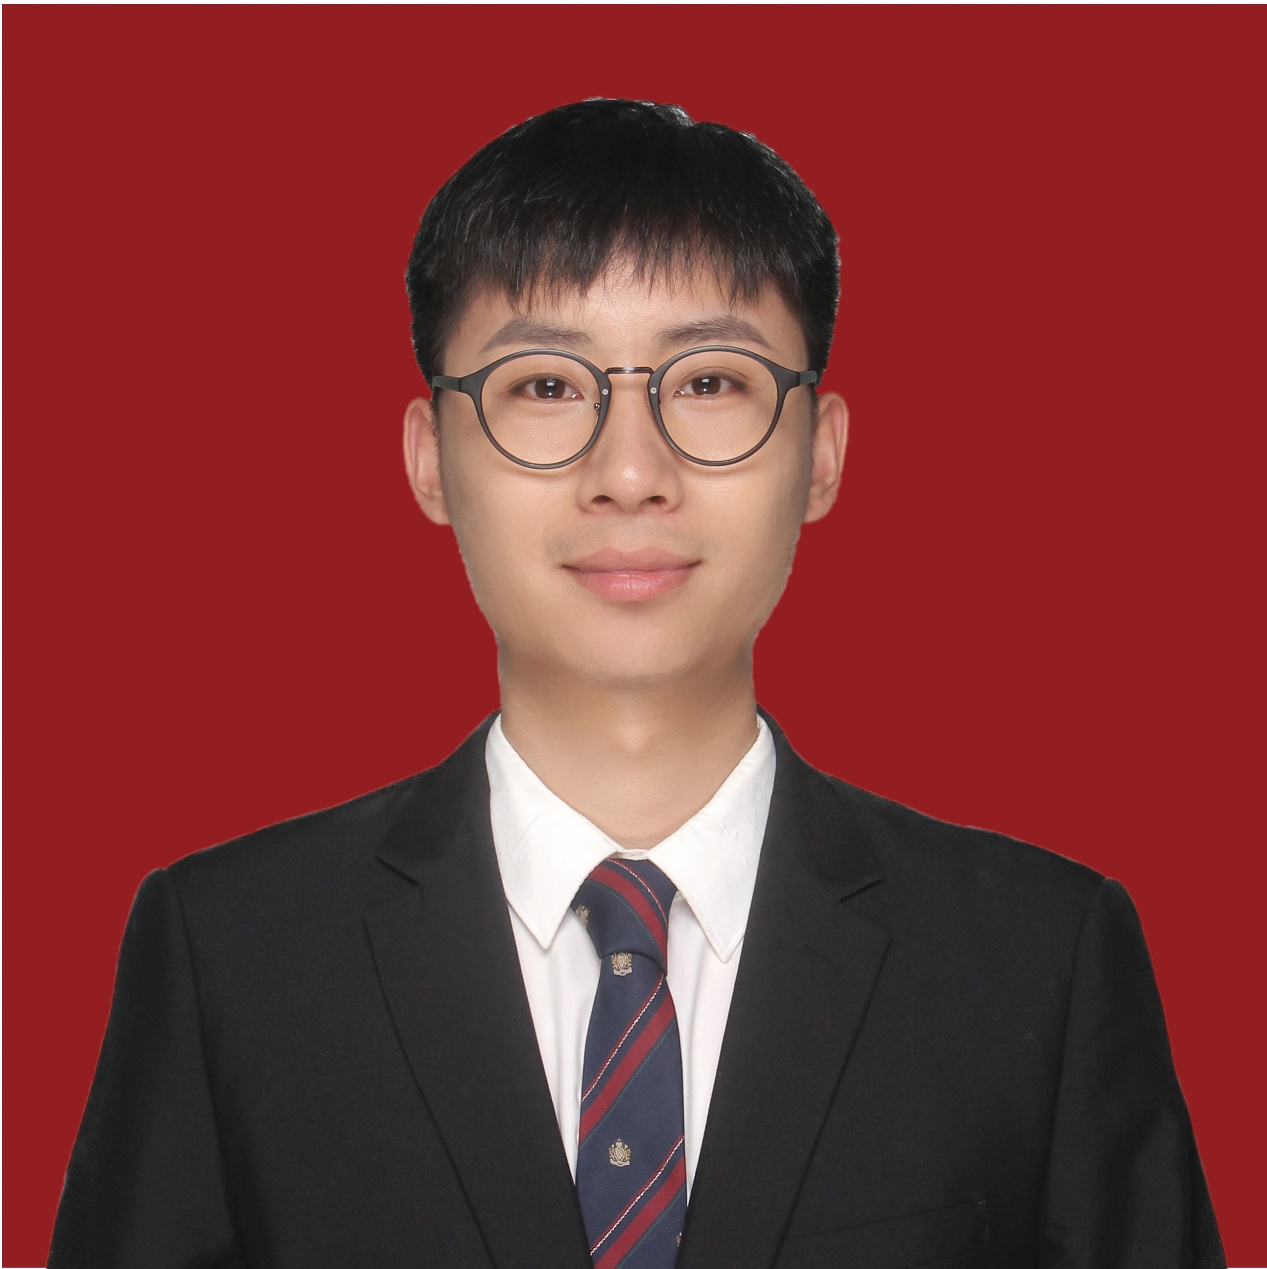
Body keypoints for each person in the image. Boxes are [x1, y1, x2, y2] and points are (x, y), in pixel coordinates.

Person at [49, 99, 1223, 1269]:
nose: (628, 473)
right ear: (428, 458)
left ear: (821, 453)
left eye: (708, 382)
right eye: (544, 386)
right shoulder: (232, 955)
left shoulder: (1036, 959)